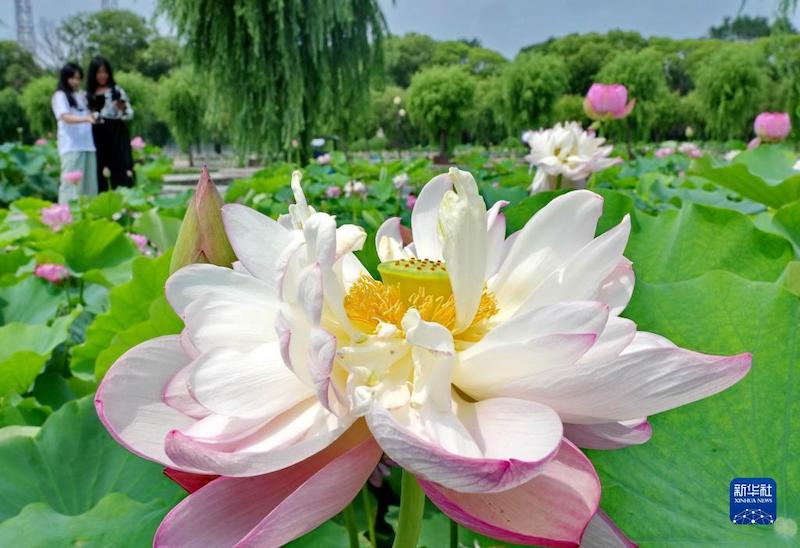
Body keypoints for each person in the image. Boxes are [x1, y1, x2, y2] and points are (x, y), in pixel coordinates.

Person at [51, 62, 98, 204]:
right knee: (70, 187)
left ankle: (89, 218)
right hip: (71, 147)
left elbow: (88, 114)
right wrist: (86, 118)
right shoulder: (59, 96)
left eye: (78, 78)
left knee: (89, 187)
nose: (76, 81)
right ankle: (65, 217)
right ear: (65, 78)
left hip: (88, 145)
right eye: (72, 78)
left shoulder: (81, 96)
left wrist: (93, 116)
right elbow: (65, 117)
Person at [86, 56, 135, 191]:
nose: (103, 75)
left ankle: (126, 199)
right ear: (93, 74)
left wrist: (122, 108)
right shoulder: (88, 95)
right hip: (98, 135)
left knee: (121, 165)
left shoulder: (116, 91)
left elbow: (130, 114)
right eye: (99, 72)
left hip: (117, 133)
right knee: (100, 167)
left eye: (105, 72)